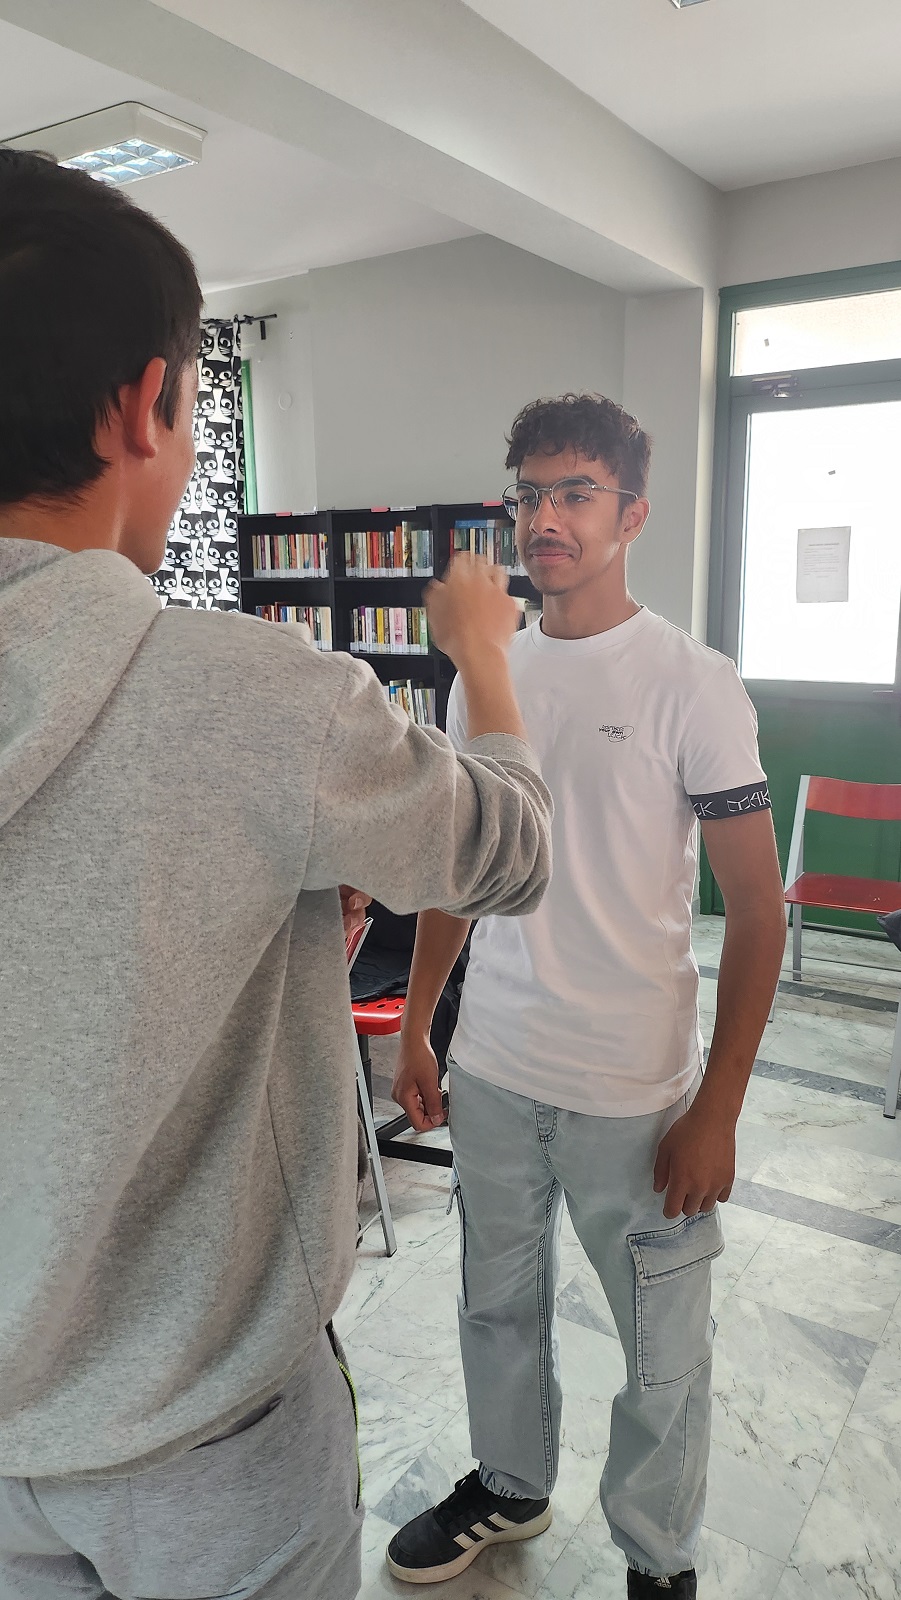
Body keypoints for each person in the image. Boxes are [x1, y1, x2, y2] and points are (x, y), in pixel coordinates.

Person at [0, 149, 553, 1600]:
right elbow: (508, 848)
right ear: (146, 404)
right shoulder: (260, 694)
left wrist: (279, 914)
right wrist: (482, 658)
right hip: (212, 1441)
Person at [388, 394, 787, 1599]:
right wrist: (421, 1021)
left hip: (633, 1091)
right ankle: (511, 1483)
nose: (545, 517)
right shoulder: (485, 674)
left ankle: (657, 1558)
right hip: (498, 1070)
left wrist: (717, 1107)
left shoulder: (692, 682)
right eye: (528, 494)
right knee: (495, 1309)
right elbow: (464, 866)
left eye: (574, 492)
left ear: (632, 514)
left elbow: (757, 910)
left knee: (661, 1348)